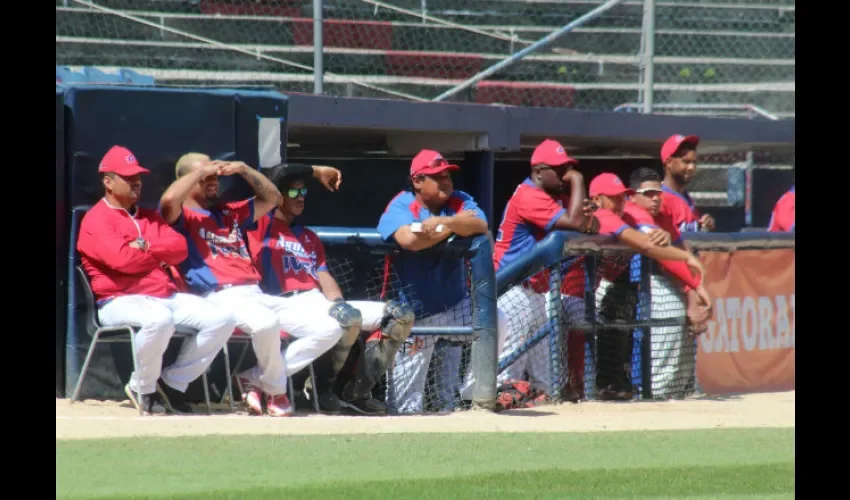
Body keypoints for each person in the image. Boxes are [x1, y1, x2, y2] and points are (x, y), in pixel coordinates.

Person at [158, 152, 344, 417]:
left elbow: (272, 198)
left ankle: (255, 379)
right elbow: (168, 200)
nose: (213, 180)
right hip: (220, 295)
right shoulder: (182, 215)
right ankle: (278, 393)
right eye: (205, 177)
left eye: (214, 175)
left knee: (331, 327)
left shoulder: (228, 212)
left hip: (256, 294)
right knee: (265, 324)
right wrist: (199, 172)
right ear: (188, 178)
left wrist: (244, 169)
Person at [77, 145, 236, 415]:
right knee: (159, 320)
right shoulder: (96, 220)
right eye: (128, 177)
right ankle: (142, 387)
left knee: (223, 320)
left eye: (137, 176)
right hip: (118, 300)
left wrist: (142, 246)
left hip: (164, 295)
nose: (136, 182)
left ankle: (172, 384)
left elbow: (179, 248)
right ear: (108, 181)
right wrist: (156, 254)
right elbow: (122, 262)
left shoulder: (150, 217)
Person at [245, 166, 414, 415]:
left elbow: (323, 275)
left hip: (316, 303)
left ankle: (354, 392)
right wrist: (316, 171)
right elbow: (277, 178)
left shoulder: (308, 237)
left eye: (303, 190)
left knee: (400, 314)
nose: (301, 196)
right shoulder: (259, 225)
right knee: (346, 319)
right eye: (293, 191)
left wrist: (338, 303)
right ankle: (321, 391)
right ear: (276, 194)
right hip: (282, 303)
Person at [377, 149, 507, 414]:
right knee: (404, 406)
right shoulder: (402, 204)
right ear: (418, 181)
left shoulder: (460, 200)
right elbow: (409, 241)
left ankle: (475, 393)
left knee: (498, 319)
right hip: (413, 315)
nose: (447, 181)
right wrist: (455, 226)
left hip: (454, 307)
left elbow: (481, 224)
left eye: (448, 175)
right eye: (438, 177)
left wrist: (442, 222)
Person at [586, 172, 704, 400]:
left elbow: (649, 236)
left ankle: (603, 385)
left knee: (615, 311)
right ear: (598, 199)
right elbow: (648, 246)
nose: (621, 203)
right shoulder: (602, 215)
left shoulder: (626, 217)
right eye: (615, 198)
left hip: (581, 292)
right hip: (551, 291)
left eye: (623, 197)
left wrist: (694, 285)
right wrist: (688, 260)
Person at [492, 139, 593, 400]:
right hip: (511, 289)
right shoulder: (529, 194)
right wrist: (579, 179)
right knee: (507, 369)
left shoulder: (552, 197)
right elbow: (574, 221)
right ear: (538, 171)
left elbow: (585, 223)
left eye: (567, 168)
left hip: (534, 289)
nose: (564, 174)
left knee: (545, 376)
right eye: (558, 169)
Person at [624, 167, 712, 399]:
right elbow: (666, 254)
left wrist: (695, 295)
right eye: (648, 193)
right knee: (659, 349)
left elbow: (682, 252)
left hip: (655, 284)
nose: (655, 198)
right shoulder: (631, 211)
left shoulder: (662, 216)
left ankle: (677, 394)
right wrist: (693, 296)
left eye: (658, 193)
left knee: (679, 346)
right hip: (623, 287)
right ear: (632, 195)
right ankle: (653, 398)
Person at [659, 134, 715, 233]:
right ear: (669, 163)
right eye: (686, 162)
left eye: (694, 162)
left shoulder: (685, 197)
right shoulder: (659, 199)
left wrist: (705, 226)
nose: (691, 168)